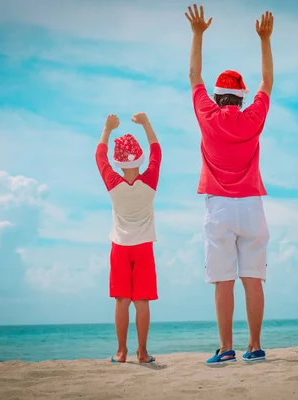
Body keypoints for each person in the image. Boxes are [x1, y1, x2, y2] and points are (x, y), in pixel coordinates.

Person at [184, 4, 274, 363]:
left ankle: (226, 349)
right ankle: (255, 346)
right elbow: (267, 82)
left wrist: (198, 33)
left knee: (223, 280)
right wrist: (265, 41)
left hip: (219, 205)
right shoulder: (253, 116)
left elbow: (194, 75)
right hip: (252, 205)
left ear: (219, 96)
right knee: (253, 278)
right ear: (241, 97)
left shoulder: (207, 115)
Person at [95, 112, 162, 364]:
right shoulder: (150, 182)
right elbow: (156, 151)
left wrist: (107, 128)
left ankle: (121, 352)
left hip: (120, 246)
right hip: (143, 247)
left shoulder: (113, 183)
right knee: (142, 301)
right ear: (140, 158)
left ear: (119, 162)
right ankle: (143, 353)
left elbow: (100, 158)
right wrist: (146, 123)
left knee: (122, 300)